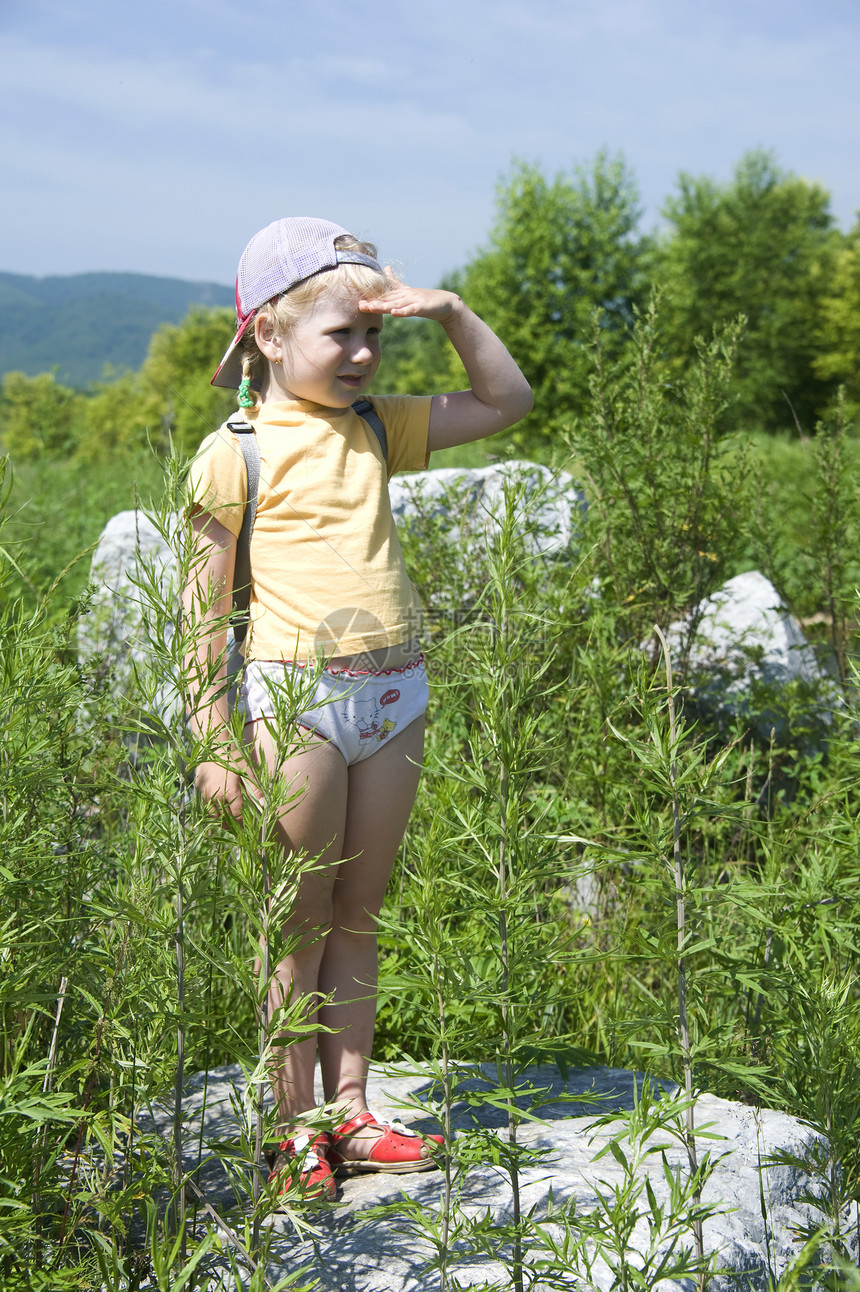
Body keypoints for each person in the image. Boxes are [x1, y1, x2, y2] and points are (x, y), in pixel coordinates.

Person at [184, 217, 532, 1201]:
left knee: (357, 914)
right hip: (297, 703)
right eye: (343, 333)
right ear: (267, 337)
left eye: (376, 335)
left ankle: (352, 1107)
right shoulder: (234, 454)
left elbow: (506, 399)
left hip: (394, 696)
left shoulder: (379, 424)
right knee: (293, 922)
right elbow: (201, 620)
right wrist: (214, 741)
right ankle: (292, 1127)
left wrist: (454, 312)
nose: (366, 354)